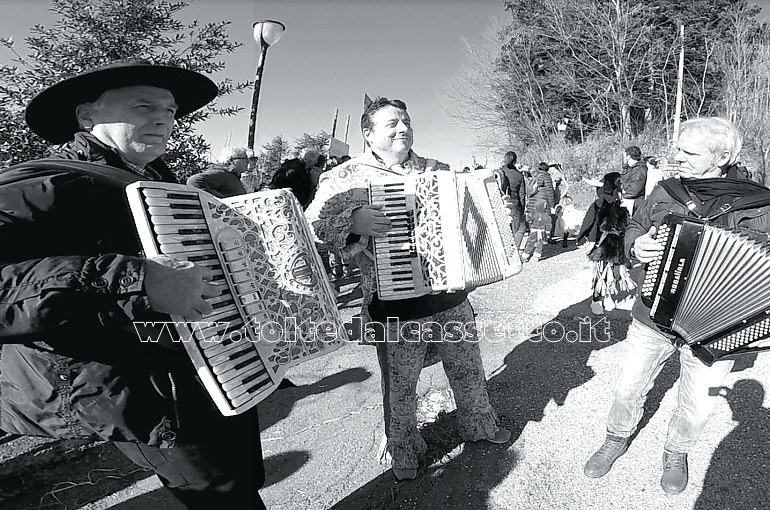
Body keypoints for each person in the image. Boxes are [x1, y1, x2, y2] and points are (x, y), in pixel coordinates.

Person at [0, 60, 266, 509]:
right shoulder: (42, 185)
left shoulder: (160, 184)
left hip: (197, 370)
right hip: (130, 383)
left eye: (170, 109)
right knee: (221, 494)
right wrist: (133, 280)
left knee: (240, 473)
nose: (164, 118)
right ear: (87, 117)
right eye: (144, 105)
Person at [305, 97, 511, 481]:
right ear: (368, 134)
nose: (403, 128)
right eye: (392, 123)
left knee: (468, 370)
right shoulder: (345, 177)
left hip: (451, 298)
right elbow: (312, 224)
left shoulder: (438, 170)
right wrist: (352, 221)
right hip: (394, 304)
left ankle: (478, 425)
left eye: (406, 121)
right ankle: (404, 449)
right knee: (401, 387)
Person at [583, 117, 770, 495]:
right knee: (627, 388)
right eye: (678, 148)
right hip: (653, 315)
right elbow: (634, 225)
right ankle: (615, 438)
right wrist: (635, 244)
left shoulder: (761, 202)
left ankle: (676, 452)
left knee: (698, 406)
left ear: (720, 158)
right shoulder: (666, 190)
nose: (676, 157)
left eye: (688, 152)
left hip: (719, 327)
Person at [576, 173, 635, 315]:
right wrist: (589, 238)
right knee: (602, 271)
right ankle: (596, 300)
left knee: (612, 271)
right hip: (602, 241)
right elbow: (592, 222)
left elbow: (589, 222)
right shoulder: (602, 203)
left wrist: (583, 236)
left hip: (613, 242)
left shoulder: (617, 204)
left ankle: (606, 296)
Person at [186, 146, 254, 198]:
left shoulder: (231, 176)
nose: (248, 162)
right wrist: (216, 201)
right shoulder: (221, 173)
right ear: (231, 160)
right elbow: (194, 181)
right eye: (244, 159)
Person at [500, 151, 527, 248]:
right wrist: (522, 209)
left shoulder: (498, 173)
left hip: (499, 204)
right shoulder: (519, 175)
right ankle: (513, 251)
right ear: (515, 161)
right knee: (518, 229)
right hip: (515, 204)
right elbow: (522, 194)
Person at [619, 145, 647, 213]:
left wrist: (621, 196)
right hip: (630, 199)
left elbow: (634, 191)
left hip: (634, 202)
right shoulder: (632, 169)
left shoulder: (639, 170)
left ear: (628, 156)